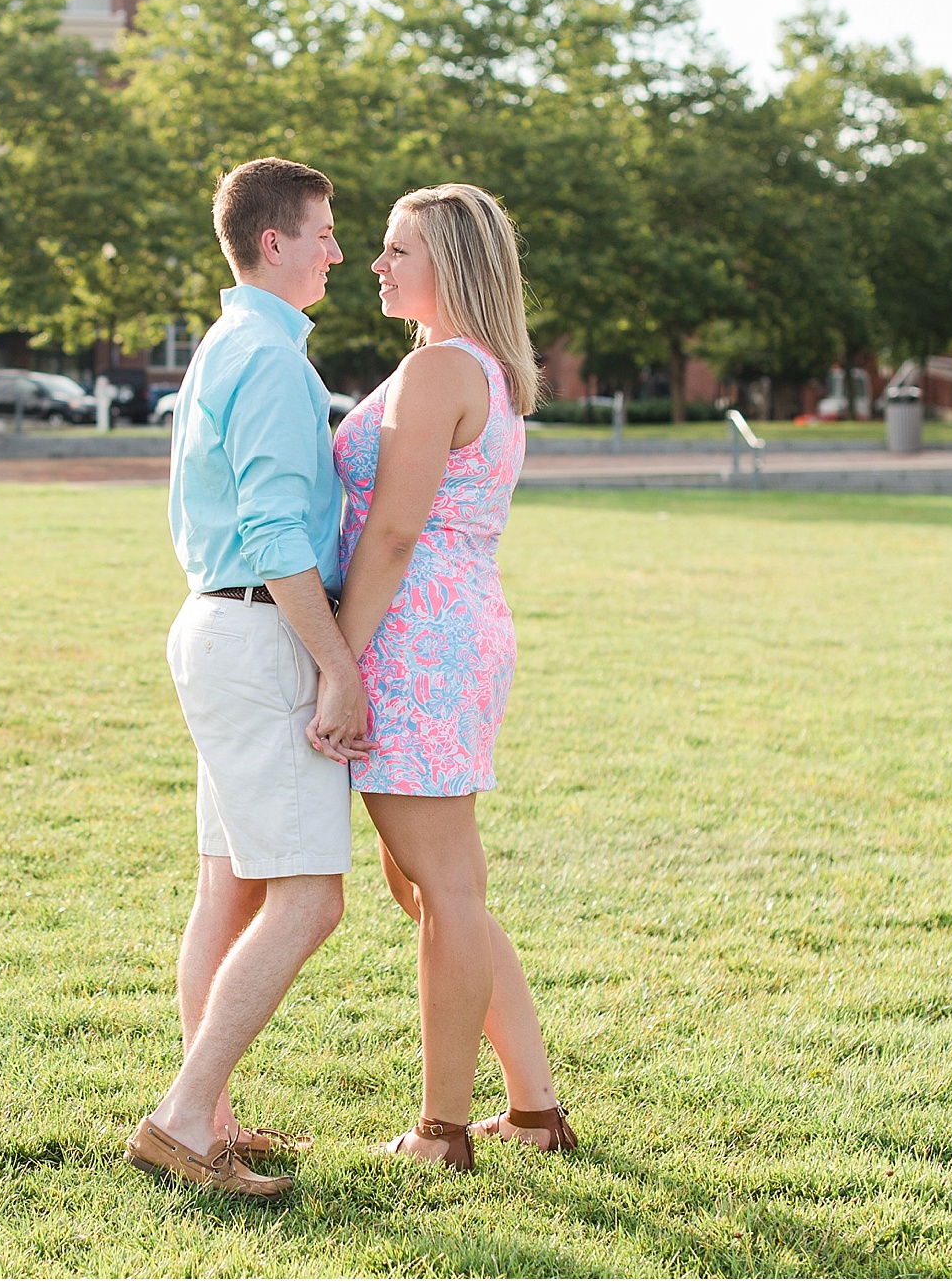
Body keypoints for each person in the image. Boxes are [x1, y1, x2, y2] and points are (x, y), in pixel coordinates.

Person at [126, 158, 372, 1198]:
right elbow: (275, 531)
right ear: (274, 242)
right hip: (259, 629)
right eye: (322, 231)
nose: (338, 250)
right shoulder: (270, 362)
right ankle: (183, 1121)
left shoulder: (232, 343)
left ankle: (209, 1117)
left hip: (219, 627)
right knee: (310, 899)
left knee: (227, 889)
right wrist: (336, 667)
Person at [333, 184, 576, 1171]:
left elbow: (392, 531)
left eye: (398, 251)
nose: (378, 265)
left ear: (453, 267)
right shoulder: (470, 369)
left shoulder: (439, 370)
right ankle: (532, 1109)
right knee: (438, 888)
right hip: (447, 632)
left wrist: (336, 659)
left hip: (414, 643)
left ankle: (441, 1131)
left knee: (444, 890)